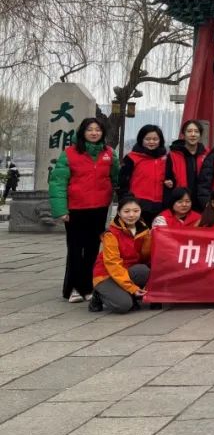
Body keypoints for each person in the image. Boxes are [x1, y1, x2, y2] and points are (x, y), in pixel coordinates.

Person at [49, 116, 118, 303]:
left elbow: (115, 178)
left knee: (92, 249)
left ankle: (87, 287)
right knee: (75, 249)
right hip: (76, 209)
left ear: (103, 132)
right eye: (90, 129)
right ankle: (74, 288)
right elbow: (58, 182)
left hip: (99, 208)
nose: (94, 133)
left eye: (98, 129)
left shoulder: (109, 153)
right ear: (82, 132)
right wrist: (61, 210)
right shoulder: (70, 153)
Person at [87, 196, 150, 315]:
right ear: (119, 213)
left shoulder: (144, 230)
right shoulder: (111, 234)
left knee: (144, 271)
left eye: (136, 211)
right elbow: (113, 265)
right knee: (124, 305)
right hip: (106, 274)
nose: (131, 215)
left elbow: (146, 256)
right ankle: (98, 294)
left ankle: (125, 293)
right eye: (126, 211)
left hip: (127, 271)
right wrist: (132, 288)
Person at [117, 124, 171, 223]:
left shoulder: (166, 159)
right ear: (141, 140)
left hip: (160, 205)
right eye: (148, 139)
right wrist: (125, 201)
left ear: (160, 141)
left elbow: (171, 178)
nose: (151, 142)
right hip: (137, 205)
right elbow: (122, 182)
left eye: (155, 139)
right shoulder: (131, 157)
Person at [169, 120, 208, 210]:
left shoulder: (207, 154)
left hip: (201, 202)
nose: (193, 134)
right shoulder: (173, 154)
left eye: (196, 131)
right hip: (180, 201)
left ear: (200, 135)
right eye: (189, 131)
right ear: (183, 134)